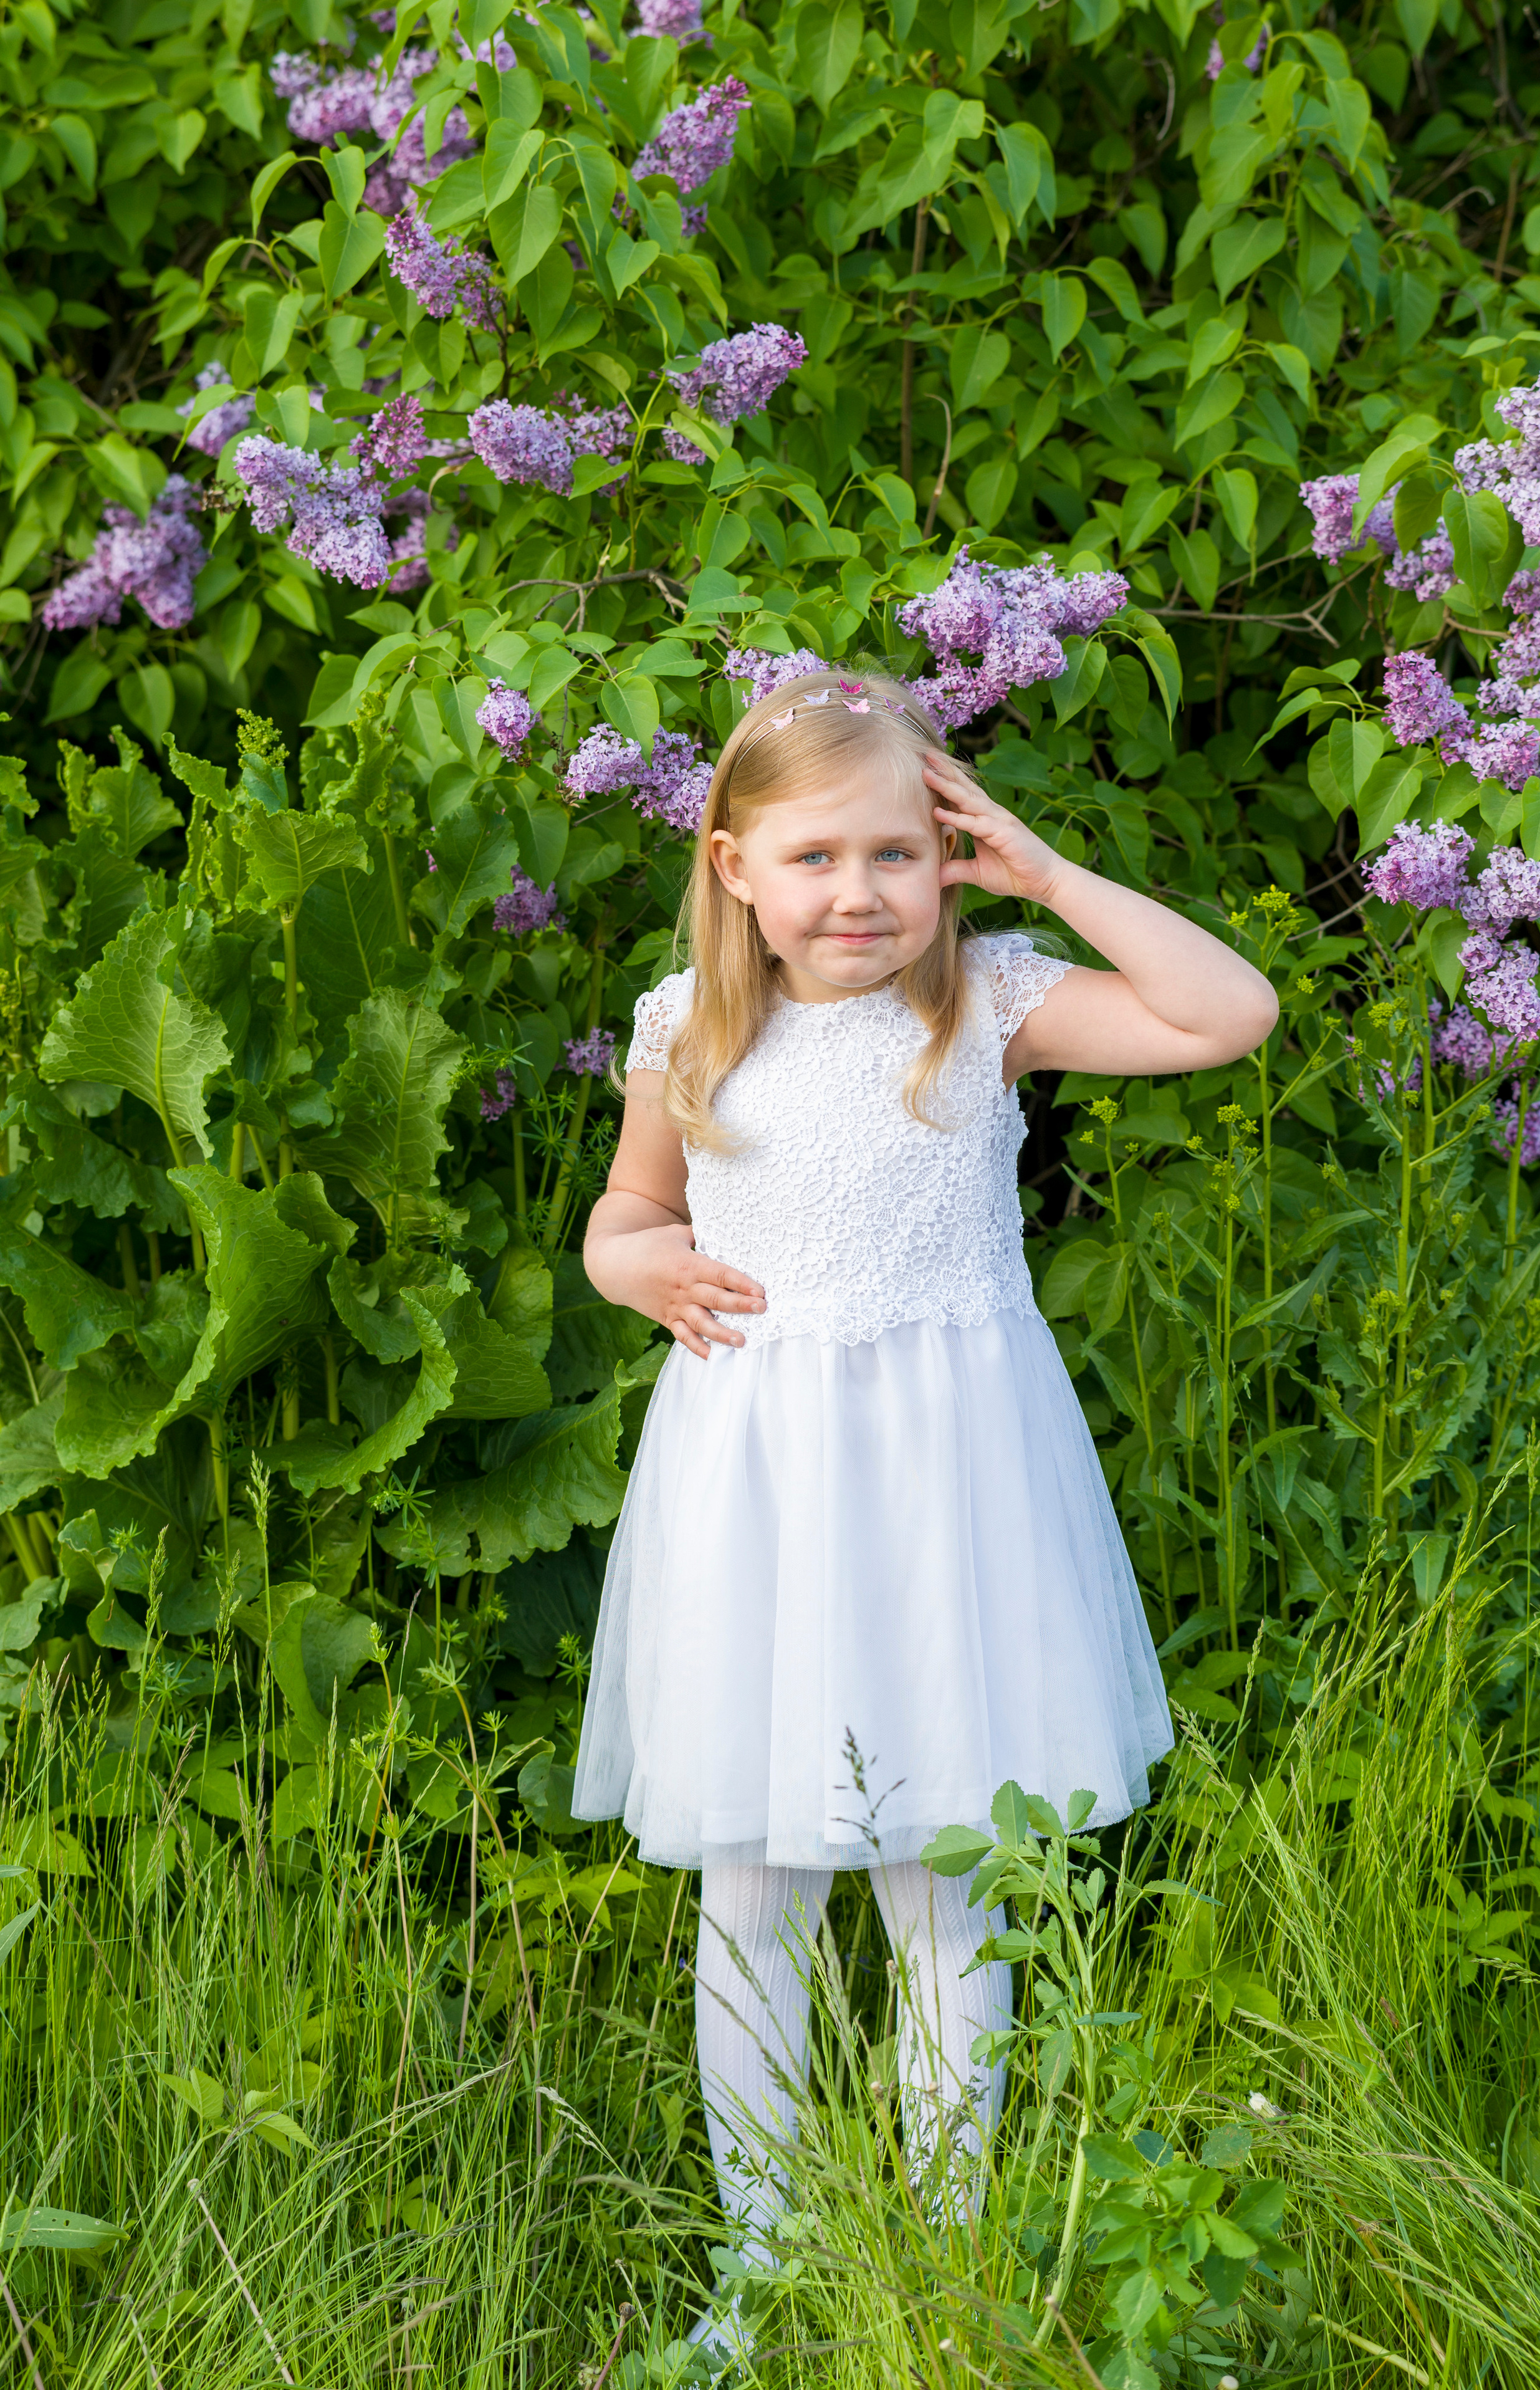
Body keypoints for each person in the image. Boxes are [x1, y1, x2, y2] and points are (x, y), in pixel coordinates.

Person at [574, 663, 1278, 2354]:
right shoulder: (692, 1023)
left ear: (944, 854)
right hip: (757, 1491)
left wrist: (1044, 874)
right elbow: (626, 1209)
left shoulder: (989, 1002)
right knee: (751, 1884)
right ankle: (760, 2260)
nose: (860, 894)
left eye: (900, 853)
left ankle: (944, 2250)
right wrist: (633, 1264)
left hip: (949, 1489)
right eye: (815, 858)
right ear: (736, 865)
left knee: (948, 1872)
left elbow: (1225, 1010)